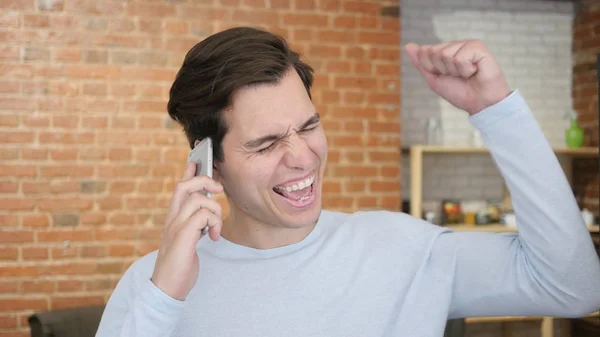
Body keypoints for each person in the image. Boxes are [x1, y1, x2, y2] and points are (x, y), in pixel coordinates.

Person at [95, 26, 600, 337]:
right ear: (210, 164)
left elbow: (574, 288)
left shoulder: (402, 247)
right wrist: (165, 298)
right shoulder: (153, 287)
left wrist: (497, 113)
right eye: (266, 142)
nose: (301, 156)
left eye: (309, 126)